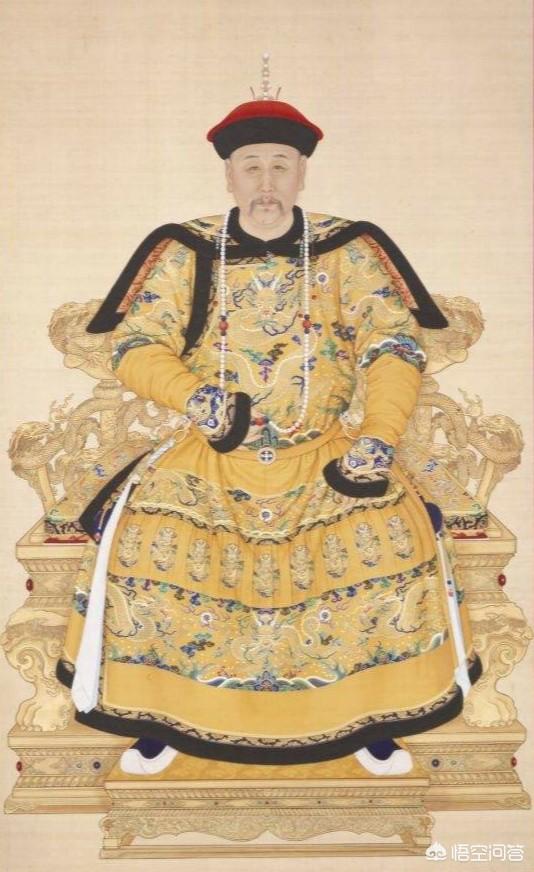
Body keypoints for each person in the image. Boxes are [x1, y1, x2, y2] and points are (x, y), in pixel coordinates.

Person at [53, 62, 482, 779]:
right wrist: (197, 398)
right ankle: (161, 717)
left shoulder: (348, 250)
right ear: (229, 176)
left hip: (324, 450)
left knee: (387, 532)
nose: (266, 184)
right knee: (150, 534)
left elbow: (392, 346)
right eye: (251, 167)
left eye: (280, 166)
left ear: (302, 172)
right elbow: (137, 345)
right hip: (212, 450)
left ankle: (370, 719)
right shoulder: (188, 249)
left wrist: (378, 437)